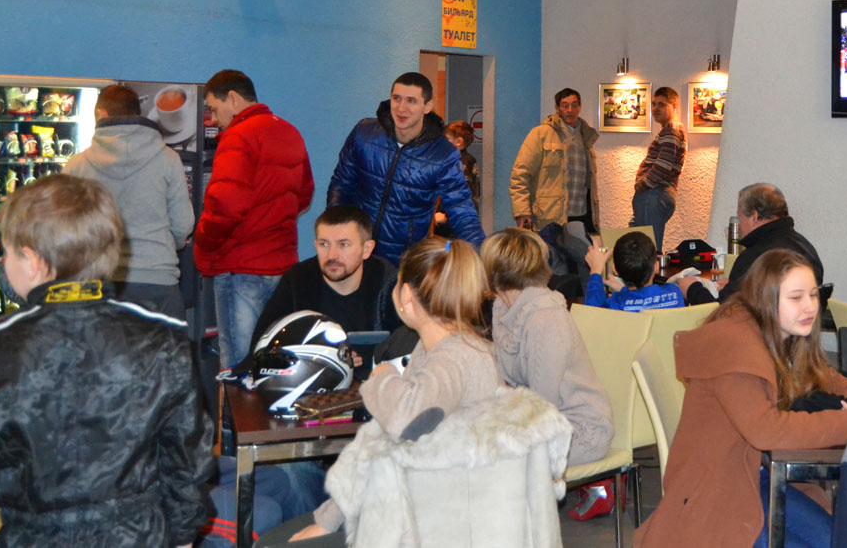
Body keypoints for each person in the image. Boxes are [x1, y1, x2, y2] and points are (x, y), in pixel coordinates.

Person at [0, 174, 213, 547]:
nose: (3, 260)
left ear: (31, 261)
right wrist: (180, 536)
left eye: (6, 251)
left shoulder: (3, 345)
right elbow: (187, 459)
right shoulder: (160, 338)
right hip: (140, 535)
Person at [636, 250, 847, 548]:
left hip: (755, 474)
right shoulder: (736, 347)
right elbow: (767, 430)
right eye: (796, 297)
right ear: (767, 300)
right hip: (720, 495)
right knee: (836, 540)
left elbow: (816, 372)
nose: (809, 307)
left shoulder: (766, 328)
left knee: (837, 539)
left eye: (813, 295)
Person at [279, 237, 503, 545]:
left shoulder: (453, 359)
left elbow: (405, 423)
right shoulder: (440, 350)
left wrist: (382, 378)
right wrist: (330, 519)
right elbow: (384, 443)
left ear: (406, 295)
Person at [482, 228, 614, 518]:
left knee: (484, 457)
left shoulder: (546, 320)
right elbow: (503, 379)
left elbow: (543, 407)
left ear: (495, 272)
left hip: (577, 430)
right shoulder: (502, 307)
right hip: (536, 418)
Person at [197, 69, 314, 369]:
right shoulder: (290, 131)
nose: (213, 119)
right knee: (273, 363)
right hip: (282, 266)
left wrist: (204, 245)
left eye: (214, 109)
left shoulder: (238, 135)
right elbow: (304, 194)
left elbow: (225, 205)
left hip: (241, 268)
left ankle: (235, 405)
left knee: (238, 366)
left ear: (233, 99)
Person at [64, 83, 195, 320]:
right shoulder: (169, 159)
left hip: (98, 284)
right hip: (158, 284)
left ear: (101, 115)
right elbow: (183, 224)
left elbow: (66, 230)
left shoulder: (76, 165)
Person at [327, 72, 483, 264]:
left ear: (427, 106)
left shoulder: (443, 153)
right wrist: (337, 233)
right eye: (396, 98)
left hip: (403, 261)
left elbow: (461, 209)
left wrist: (483, 256)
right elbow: (341, 184)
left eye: (411, 101)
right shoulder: (364, 133)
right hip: (356, 251)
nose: (401, 108)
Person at [251, 205, 402, 375]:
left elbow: (410, 348)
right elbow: (262, 346)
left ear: (366, 249)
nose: (332, 255)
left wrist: (366, 360)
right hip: (309, 383)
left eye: (343, 244)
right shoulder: (298, 281)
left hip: (376, 383)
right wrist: (323, 359)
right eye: (324, 244)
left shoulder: (389, 284)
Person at [683, 182, 824, 306]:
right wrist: (736, 285)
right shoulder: (806, 247)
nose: (740, 225)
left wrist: (692, 289)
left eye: (740, 217)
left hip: (761, 329)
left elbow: (722, 315)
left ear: (754, 217)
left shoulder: (755, 257)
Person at [509, 87, 601, 234]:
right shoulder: (540, 134)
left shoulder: (586, 136)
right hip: (549, 218)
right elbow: (520, 175)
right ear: (557, 108)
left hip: (581, 217)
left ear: (580, 107)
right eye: (565, 105)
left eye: (574, 105)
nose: (570, 110)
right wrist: (522, 212)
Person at [631, 86, 686, 253]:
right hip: (655, 195)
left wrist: (644, 184)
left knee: (647, 251)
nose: (655, 108)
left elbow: (664, 164)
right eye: (654, 104)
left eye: (661, 104)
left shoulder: (671, 130)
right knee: (638, 247)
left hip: (654, 194)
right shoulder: (671, 129)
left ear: (674, 106)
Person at [583, 230, 685, 312]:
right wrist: (623, 290)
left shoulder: (615, 304)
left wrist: (595, 272)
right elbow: (646, 301)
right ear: (656, 266)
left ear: (615, 270)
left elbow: (592, 314)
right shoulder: (675, 293)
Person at [444, 120, 480, 211]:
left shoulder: (460, 162)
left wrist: (444, 213)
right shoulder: (468, 160)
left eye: (447, 139)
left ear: (459, 142)